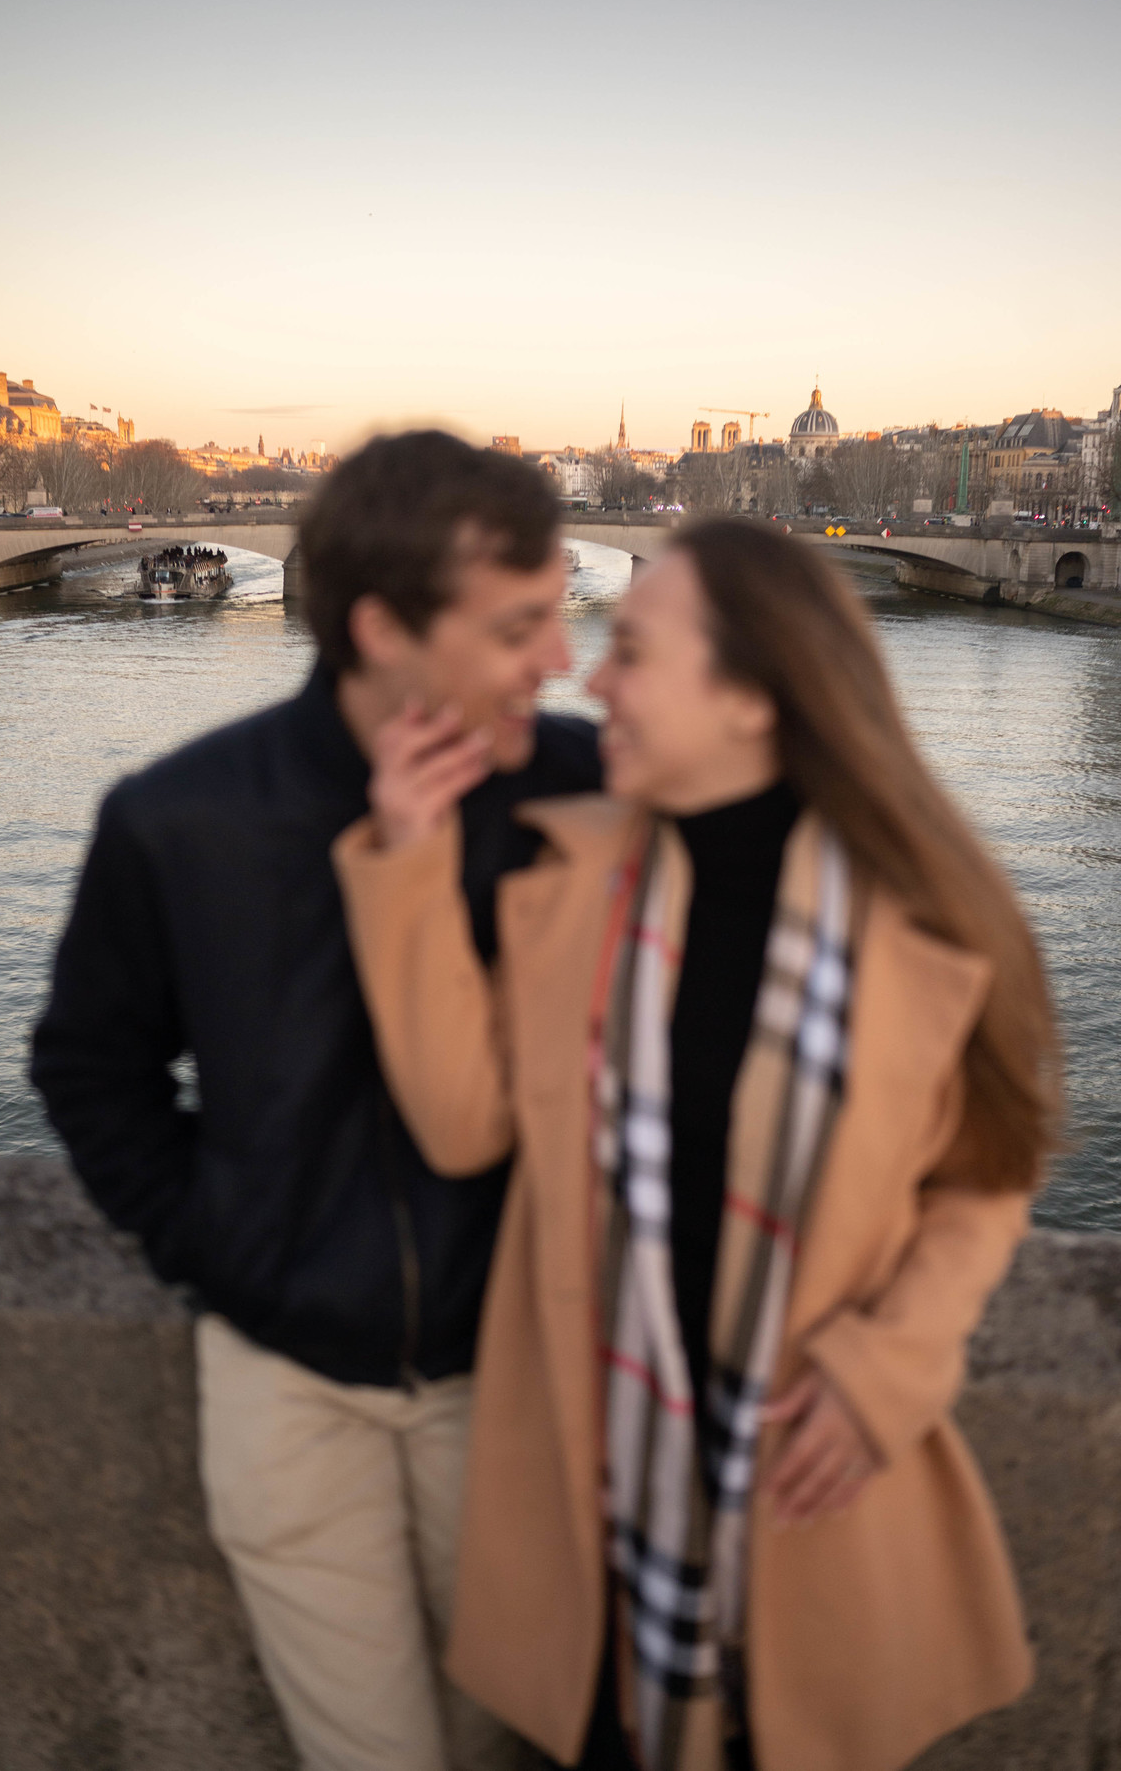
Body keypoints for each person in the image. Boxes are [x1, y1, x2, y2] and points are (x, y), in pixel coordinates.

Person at [333, 520, 1058, 1771]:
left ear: (755, 696)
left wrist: (892, 1364)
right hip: (596, 1509)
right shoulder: (570, 890)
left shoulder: (933, 923)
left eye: (636, 651)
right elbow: (463, 1125)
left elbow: (988, 1180)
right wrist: (406, 854)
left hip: (807, 1493)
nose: (591, 677)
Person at [30, 431, 600, 1771]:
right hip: (289, 1384)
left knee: (512, 1742)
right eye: (521, 623)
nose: (562, 660)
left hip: (515, 1381)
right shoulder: (180, 820)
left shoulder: (583, 793)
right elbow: (88, 1068)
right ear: (381, 628)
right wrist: (224, 1250)